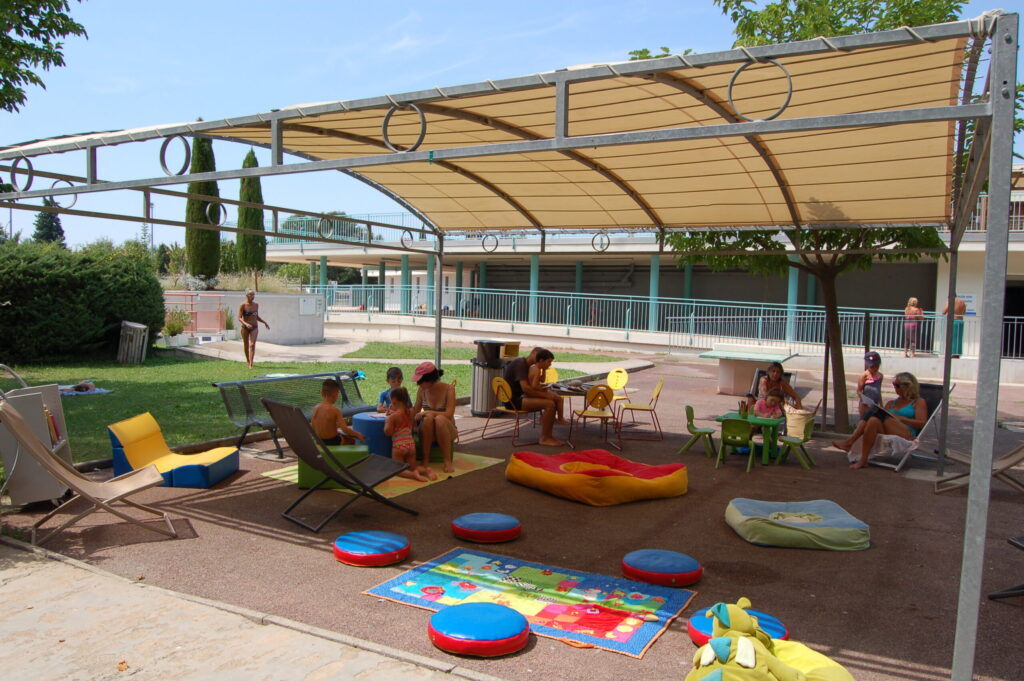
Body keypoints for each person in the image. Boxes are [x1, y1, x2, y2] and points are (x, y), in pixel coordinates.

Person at [833, 371, 927, 470]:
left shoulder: (918, 402)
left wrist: (902, 419)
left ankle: (850, 441)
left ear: (907, 386)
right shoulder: (891, 403)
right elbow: (881, 418)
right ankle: (863, 460)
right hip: (888, 430)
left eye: (897, 385)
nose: (894, 387)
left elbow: (921, 423)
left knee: (875, 411)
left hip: (906, 433)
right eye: (894, 385)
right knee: (873, 419)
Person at [502, 347, 566, 447]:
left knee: (552, 400)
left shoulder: (528, 366)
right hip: (513, 401)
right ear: (534, 353)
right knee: (549, 404)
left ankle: (548, 435)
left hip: (521, 398)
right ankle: (545, 438)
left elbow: (532, 387)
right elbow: (526, 388)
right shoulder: (521, 364)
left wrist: (546, 393)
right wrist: (546, 395)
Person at [411, 361, 457, 476]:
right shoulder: (422, 390)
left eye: (421, 381)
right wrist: (399, 411)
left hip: (446, 429)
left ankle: (447, 460)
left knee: (439, 419)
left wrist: (427, 412)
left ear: (430, 379)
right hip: (428, 429)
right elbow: (415, 410)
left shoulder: (449, 389)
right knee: (427, 419)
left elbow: (449, 414)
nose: (418, 384)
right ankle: (425, 459)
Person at [384, 386, 429, 482]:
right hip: (411, 445)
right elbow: (404, 415)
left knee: (397, 470)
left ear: (393, 401)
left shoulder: (393, 417)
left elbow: (388, 432)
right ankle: (426, 471)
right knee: (412, 467)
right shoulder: (411, 412)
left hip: (399, 447)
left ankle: (413, 475)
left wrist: (387, 422)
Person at [311, 379, 366, 446]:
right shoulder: (335, 410)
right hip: (333, 441)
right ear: (336, 393)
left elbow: (314, 426)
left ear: (322, 393)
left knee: (342, 434)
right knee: (353, 440)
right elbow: (344, 429)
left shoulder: (315, 408)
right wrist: (358, 434)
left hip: (320, 441)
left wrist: (334, 426)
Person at [238, 289, 270, 369]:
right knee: (246, 345)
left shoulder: (256, 305)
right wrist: (246, 324)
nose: (253, 296)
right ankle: (248, 360)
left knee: (252, 345)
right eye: (251, 294)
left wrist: (264, 322)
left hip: (254, 327)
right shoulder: (243, 305)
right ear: (247, 295)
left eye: (253, 294)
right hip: (245, 328)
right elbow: (239, 318)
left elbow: (256, 316)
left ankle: (251, 364)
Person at [857, 351, 884, 420]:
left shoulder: (880, 376)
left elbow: (878, 391)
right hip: (865, 405)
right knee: (864, 422)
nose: (874, 368)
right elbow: (859, 391)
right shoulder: (864, 376)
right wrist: (865, 401)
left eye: (876, 366)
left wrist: (881, 405)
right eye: (872, 367)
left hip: (876, 404)